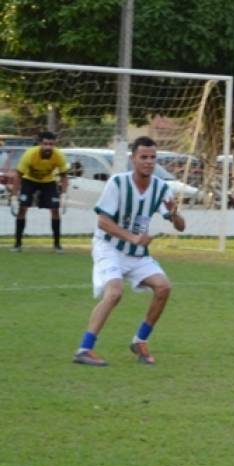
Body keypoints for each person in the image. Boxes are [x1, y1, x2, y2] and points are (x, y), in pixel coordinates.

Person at [72, 136, 186, 367]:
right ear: (133, 158)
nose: (149, 162)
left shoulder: (161, 188)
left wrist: (175, 214)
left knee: (163, 287)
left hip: (136, 254)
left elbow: (181, 226)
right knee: (114, 293)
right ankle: (84, 348)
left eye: (153, 157)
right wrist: (133, 237)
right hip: (109, 247)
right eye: (143, 157)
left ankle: (140, 341)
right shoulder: (117, 183)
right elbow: (103, 221)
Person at [9, 131, 68, 252]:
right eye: (45, 144)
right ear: (40, 143)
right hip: (29, 180)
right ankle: (17, 244)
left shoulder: (59, 155)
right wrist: (14, 197)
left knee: (55, 211)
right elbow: (18, 176)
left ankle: (57, 245)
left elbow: (64, 176)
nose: (48, 147)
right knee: (22, 209)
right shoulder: (30, 154)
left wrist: (64, 195)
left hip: (48, 181)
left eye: (51, 144)